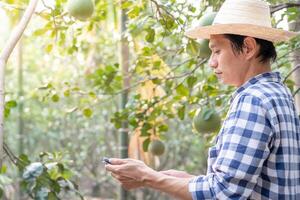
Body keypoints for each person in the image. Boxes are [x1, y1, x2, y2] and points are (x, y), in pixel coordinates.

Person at [105, 0, 300, 199]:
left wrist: (148, 177)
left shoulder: (253, 100)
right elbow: (244, 183)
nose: (212, 62)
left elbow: (223, 192)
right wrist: (178, 179)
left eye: (217, 51)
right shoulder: (279, 94)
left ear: (248, 47)